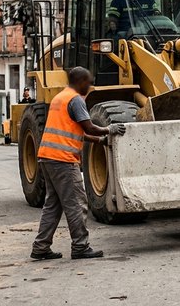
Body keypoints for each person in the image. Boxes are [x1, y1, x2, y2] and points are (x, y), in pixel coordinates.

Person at [31, 67, 127, 261]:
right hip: (63, 160)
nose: (90, 86)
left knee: (53, 205)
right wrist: (109, 129)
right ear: (80, 81)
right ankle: (80, 246)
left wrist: (98, 141)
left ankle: (41, 247)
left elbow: (74, 130)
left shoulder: (60, 98)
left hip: (47, 157)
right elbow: (89, 127)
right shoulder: (75, 100)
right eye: (88, 82)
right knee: (77, 204)